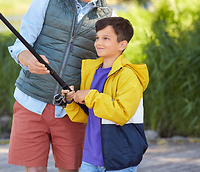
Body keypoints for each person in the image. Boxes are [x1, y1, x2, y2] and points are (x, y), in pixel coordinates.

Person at [8, 0, 117, 172]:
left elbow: (108, 69)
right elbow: (20, 44)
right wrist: (30, 61)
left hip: (72, 110)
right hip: (31, 100)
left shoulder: (110, 19)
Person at [62, 17, 149, 172]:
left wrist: (90, 96)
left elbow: (122, 113)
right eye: (97, 38)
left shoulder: (128, 76)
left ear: (122, 45)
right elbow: (89, 115)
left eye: (106, 38)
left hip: (119, 158)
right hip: (90, 158)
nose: (98, 43)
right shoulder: (92, 72)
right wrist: (71, 102)